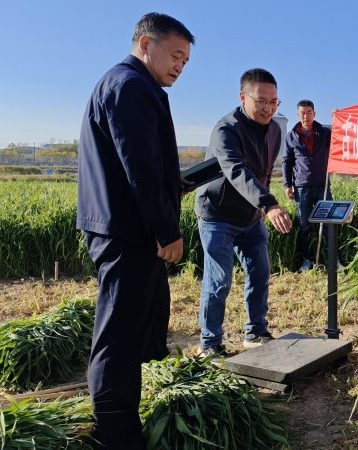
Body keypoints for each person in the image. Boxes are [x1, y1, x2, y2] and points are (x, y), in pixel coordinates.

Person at [76, 12, 194, 449]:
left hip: (125, 226)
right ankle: (117, 434)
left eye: (186, 60)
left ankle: (125, 415)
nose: (181, 66)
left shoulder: (133, 85)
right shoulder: (129, 85)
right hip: (126, 231)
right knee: (118, 339)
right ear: (146, 44)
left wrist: (173, 184)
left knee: (138, 327)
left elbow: (141, 163)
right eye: (175, 55)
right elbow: (138, 168)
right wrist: (167, 230)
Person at [194, 68, 293, 357]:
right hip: (218, 214)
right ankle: (210, 344)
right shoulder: (227, 130)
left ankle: (256, 332)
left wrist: (260, 207)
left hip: (251, 215)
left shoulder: (274, 129)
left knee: (260, 272)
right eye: (261, 101)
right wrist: (269, 204)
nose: (268, 108)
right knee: (219, 280)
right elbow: (237, 171)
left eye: (274, 102)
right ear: (243, 97)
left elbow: (263, 172)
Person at [282, 99, 333, 272]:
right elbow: (287, 162)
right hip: (302, 186)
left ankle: (332, 259)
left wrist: (338, 117)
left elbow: (340, 138)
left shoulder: (325, 133)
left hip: (322, 185)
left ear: (314, 113)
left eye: (309, 112)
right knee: (304, 225)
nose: (306, 116)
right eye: (302, 113)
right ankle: (307, 260)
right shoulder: (291, 136)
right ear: (298, 115)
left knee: (328, 223)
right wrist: (287, 184)